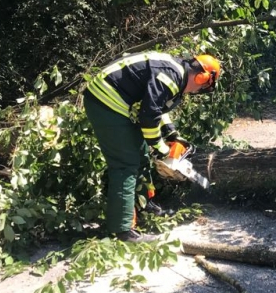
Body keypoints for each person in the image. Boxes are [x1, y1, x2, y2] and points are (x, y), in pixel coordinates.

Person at [83, 51, 221, 242]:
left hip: (113, 99)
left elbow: (156, 106)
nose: (197, 92)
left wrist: (172, 133)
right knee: (125, 165)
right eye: (202, 88)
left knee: (141, 155)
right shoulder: (171, 76)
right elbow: (148, 115)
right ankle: (124, 230)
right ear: (201, 77)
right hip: (105, 101)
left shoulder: (175, 72)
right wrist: (162, 149)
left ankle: (143, 204)